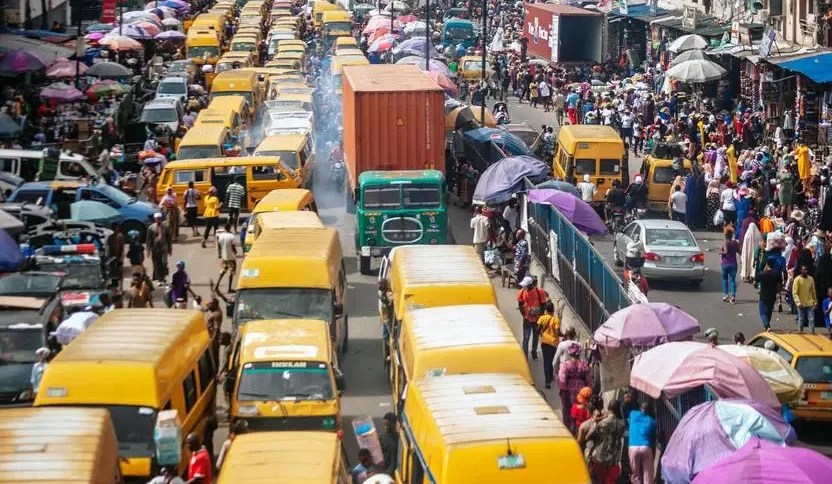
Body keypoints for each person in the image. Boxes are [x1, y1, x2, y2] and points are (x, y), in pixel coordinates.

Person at [589, 400, 626, 484]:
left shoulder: (603, 423)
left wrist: (596, 420)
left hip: (600, 457)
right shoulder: (622, 424)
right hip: (614, 459)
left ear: (609, 408)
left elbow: (590, 436)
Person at [558, 342, 592, 433]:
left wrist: (563, 392)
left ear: (569, 353)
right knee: (581, 410)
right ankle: (580, 430)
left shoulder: (565, 365)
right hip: (582, 390)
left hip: (569, 391)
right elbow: (589, 380)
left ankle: (569, 430)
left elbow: (562, 379)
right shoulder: (584, 365)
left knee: (568, 410)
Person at [517, 276, 548, 360]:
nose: (524, 287)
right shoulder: (522, 292)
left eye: (526, 285)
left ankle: (534, 354)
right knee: (526, 337)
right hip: (527, 319)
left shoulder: (539, 291)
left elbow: (543, 304)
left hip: (537, 319)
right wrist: (524, 315)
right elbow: (520, 304)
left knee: (536, 336)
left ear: (531, 285)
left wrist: (540, 316)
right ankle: (525, 356)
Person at [628, 401, 657, 484]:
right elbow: (653, 438)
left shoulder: (633, 414)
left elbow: (629, 421)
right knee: (648, 475)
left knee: (636, 476)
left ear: (640, 408)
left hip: (633, 447)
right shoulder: (652, 421)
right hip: (646, 447)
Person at [537, 300, 560, 389]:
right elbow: (558, 332)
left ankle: (547, 381)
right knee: (552, 361)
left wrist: (543, 335)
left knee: (546, 361)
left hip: (545, 342)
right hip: (554, 343)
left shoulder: (542, 318)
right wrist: (564, 334)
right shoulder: (556, 319)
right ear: (553, 309)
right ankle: (551, 376)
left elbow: (538, 330)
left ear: (546, 309)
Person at [146, 213, 172, 283]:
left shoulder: (166, 227)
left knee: (164, 263)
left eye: (160, 219)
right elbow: (148, 240)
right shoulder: (151, 228)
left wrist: (170, 249)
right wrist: (148, 250)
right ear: (155, 219)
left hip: (164, 247)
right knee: (157, 264)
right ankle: (159, 279)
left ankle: (163, 276)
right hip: (155, 248)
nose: (159, 220)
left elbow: (169, 238)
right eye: (157, 219)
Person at [758, 258, 783, 331]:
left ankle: (767, 325)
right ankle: (766, 326)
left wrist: (764, 270)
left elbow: (756, 279)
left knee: (762, 312)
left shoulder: (763, 274)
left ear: (767, 264)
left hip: (763, 296)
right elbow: (780, 284)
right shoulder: (777, 275)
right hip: (772, 295)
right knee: (769, 312)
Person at [793, 264, 817, 333]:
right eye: (803, 270)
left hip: (809, 302)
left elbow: (813, 291)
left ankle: (812, 332)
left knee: (811, 319)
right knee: (801, 319)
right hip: (801, 303)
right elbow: (794, 292)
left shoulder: (811, 279)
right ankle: (800, 332)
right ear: (801, 271)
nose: (804, 271)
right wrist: (798, 302)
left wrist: (815, 301)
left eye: (806, 270)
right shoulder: (797, 280)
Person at [215, 223, 238, 293]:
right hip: (231, 257)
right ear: (230, 228)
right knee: (231, 272)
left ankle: (216, 285)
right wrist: (235, 252)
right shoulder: (232, 236)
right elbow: (233, 246)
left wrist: (220, 254)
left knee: (223, 270)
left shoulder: (221, 236)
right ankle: (229, 289)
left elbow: (219, 245)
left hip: (224, 256)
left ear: (224, 228)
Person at [720, 226, 740, 303]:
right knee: (732, 280)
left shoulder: (726, 243)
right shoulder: (735, 243)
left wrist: (720, 252)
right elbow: (739, 251)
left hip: (725, 264)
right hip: (733, 264)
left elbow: (725, 252)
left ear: (725, 235)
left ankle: (726, 295)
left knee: (725, 279)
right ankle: (733, 296)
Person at [378, 412, 399, 476]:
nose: (386, 427)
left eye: (387, 424)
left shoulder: (400, 438)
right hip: (387, 472)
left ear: (394, 423)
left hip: (396, 472)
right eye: (384, 425)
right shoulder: (381, 438)